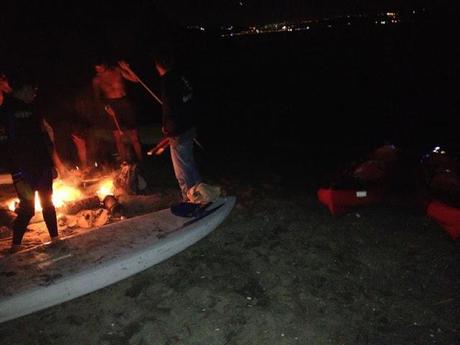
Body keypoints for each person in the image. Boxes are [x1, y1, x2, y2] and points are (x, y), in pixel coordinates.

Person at [1, 75, 59, 252]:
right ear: (25, 88)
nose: (34, 94)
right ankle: (15, 246)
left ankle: (56, 240)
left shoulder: (34, 109)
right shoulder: (6, 111)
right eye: (33, 90)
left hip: (42, 166)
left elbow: (42, 138)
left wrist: (51, 164)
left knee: (48, 204)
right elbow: (6, 146)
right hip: (24, 170)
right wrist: (16, 173)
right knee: (27, 209)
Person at [153, 50, 201, 201]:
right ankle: (200, 192)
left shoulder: (167, 80)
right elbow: (190, 99)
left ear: (159, 66)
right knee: (189, 162)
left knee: (181, 170)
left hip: (178, 129)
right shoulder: (180, 76)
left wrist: (167, 127)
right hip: (189, 125)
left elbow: (169, 106)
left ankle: (189, 199)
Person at [92, 59, 143, 163]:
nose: (99, 71)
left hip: (124, 103)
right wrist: (106, 107)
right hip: (111, 106)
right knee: (118, 137)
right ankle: (123, 163)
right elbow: (97, 98)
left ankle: (141, 160)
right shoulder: (97, 80)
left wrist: (127, 69)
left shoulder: (117, 70)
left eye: (100, 68)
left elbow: (136, 80)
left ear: (105, 65)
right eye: (96, 69)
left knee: (134, 135)